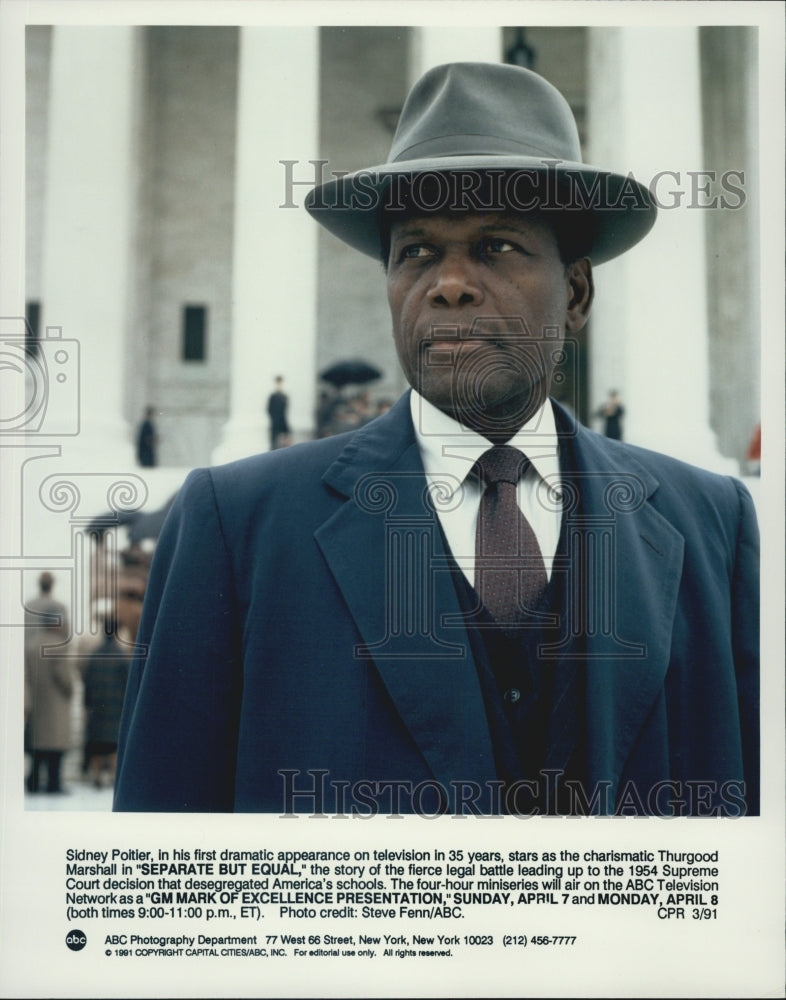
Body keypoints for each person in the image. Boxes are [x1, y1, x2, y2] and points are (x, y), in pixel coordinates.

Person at [115, 62, 759, 817]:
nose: (448, 283)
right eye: (415, 251)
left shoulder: (710, 524)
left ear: (577, 293)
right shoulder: (239, 524)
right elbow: (161, 858)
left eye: (497, 246)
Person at [83, 564, 147, 788]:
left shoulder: (95, 653)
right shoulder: (137, 613)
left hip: (99, 702)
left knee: (99, 741)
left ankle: (98, 775)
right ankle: (113, 775)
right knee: (113, 742)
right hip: (116, 700)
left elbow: (87, 678)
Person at [24, 572, 74, 794]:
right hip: (54, 691)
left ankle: (33, 780)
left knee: (37, 737)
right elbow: (64, 675)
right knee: (54, 738)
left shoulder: (29, 606)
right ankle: (53, 783)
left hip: (35, 678)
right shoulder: (59, 607)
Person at [266, 375, 291, 449]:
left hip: (282, 422)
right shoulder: (273, 396)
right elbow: (269, 410)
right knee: (274, 444)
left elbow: (285, 411)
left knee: (284, 445)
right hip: (275, 423)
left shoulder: (284, 396)